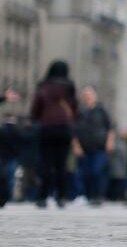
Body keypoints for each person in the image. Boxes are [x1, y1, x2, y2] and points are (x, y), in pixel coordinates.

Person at [29, 60, 77, 207]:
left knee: (46, 164)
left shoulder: (43, 86)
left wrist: (37, 118)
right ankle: (61, 197)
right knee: (61, 165)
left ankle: (43, 197)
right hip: (64, 129)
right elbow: (75, 109)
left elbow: (36, 108)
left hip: (47, 128)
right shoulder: (70, 87)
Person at [73, 85, 114, 205]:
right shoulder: (80, 111)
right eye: (85, 95)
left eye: (89, 95)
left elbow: (110, 127)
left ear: (95, 96)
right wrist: (76, 145)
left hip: (99, 147)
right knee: (83, 173)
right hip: (83, 148)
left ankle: (97, 196)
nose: (87, 97)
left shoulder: (101, 110)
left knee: (97, 171)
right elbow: (73, 130)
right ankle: (83, 195)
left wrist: (110, 142)